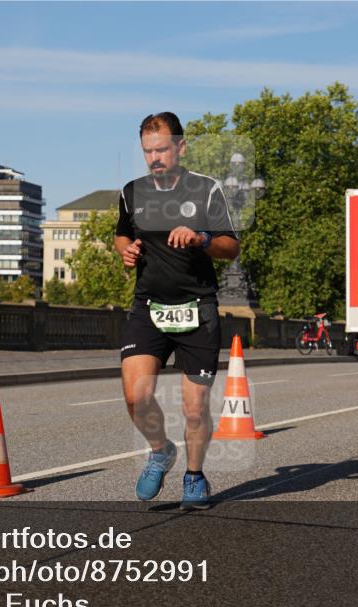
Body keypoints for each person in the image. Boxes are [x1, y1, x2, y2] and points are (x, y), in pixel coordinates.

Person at [114, 112, 239, 510]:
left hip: (196, 309)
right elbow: (121, 232)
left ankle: (195, 474)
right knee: (136, 394)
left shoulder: (205, 190)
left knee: (194, 407)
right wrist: (126, 251)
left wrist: (202, 238)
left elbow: (230, 246)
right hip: (147, 306)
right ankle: (161, 450)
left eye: (162, 149)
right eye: (148, 151)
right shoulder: (131, 192)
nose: (154, 157)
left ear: (180, 147)